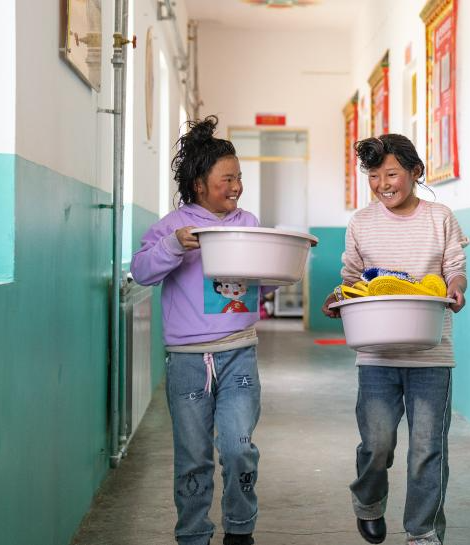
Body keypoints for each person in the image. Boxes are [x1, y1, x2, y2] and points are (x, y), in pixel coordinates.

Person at [323, 133, 468, 545]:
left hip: (431, 354)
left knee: (427, 450)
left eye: (391, 174)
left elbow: (455, 268)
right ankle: (369, 502)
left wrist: (456, 288)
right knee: (377, 444)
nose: (382, 184)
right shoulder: (361, 222)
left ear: (415, 171)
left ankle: (423, 532)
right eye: (374, 176)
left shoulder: (440, 217)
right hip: (376, 356)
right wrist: (337, 298)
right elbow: (351, 279)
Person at [131, 115, 268, 545]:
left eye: (239, 177)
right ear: (199, 184)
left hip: (239, 353)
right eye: (227, 179)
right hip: (188, 363)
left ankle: (240, 530)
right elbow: (142, 271)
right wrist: (173, 246)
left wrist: (278, 272)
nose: (237, 186)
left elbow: (261, 281)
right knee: (193, 457)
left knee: (238, 447)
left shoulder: (248, 223)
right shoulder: (172, 227)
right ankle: (193, 534)